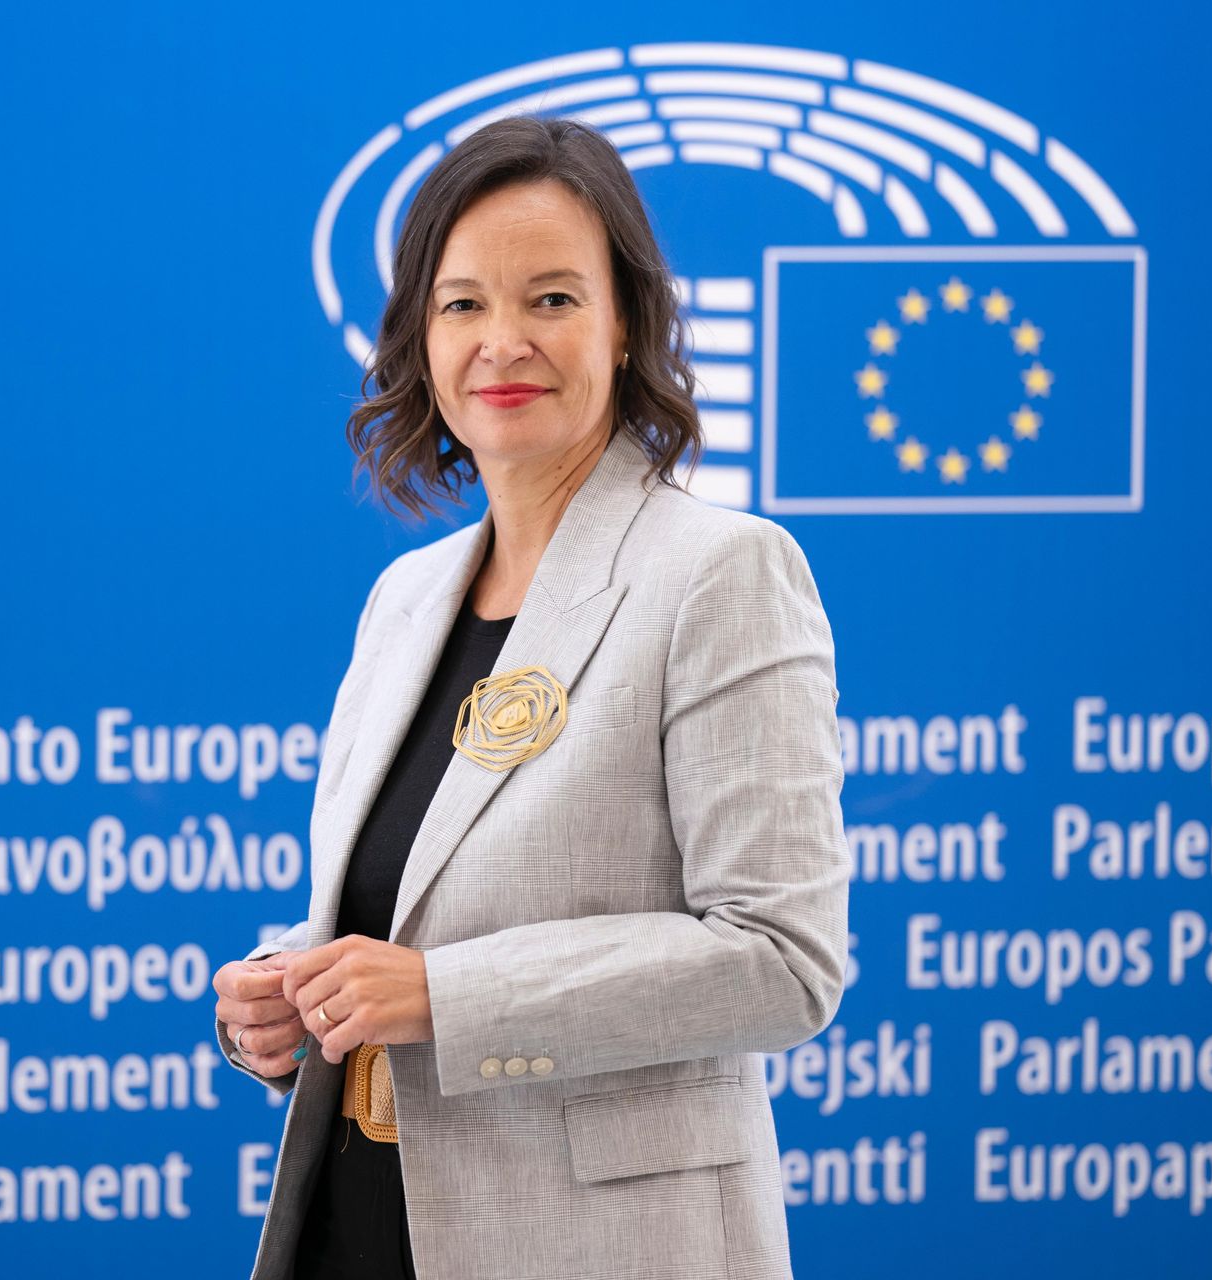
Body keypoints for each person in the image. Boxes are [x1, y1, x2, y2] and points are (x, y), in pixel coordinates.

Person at [211, 113, 849, 1280]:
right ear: (421, 337)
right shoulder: (407, 597)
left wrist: (441, 995)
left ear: (625, 324)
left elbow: (781, 959)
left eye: (551, 298)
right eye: (463, 304)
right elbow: (406, 912)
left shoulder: (721, 571)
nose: (503, 341)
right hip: (360, 1223)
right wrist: (289, 987)